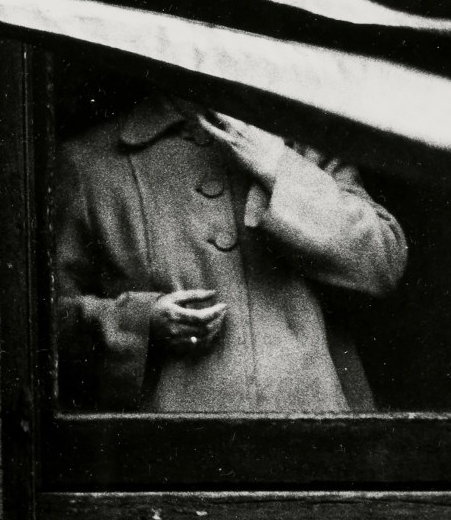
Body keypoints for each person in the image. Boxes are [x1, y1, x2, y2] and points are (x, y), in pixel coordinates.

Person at [53, 95, 406, 412]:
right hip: (169, 447)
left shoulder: (304, 143)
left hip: (312, 435)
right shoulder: (91, 162)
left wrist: (280, 168)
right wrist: (140, 322)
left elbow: (383, 261)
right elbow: (43, 321)